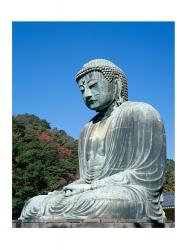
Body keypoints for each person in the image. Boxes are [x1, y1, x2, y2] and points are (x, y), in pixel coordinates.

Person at [19, 59, 166, 221]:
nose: (87, 94)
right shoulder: (87, 129)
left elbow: (149, 174)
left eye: (93, 86)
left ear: (115, 83)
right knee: (33, 204)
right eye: (82, 90)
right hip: (90, 192)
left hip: (128, 192)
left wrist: (92, 187)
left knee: (103, 201)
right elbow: (87, 176)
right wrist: (73, 188)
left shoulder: (141, 112)